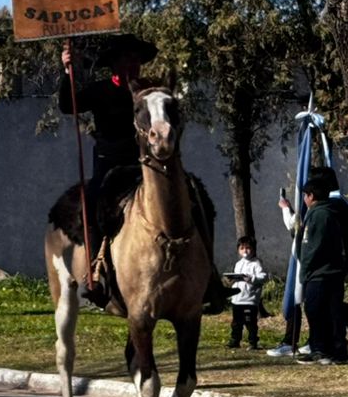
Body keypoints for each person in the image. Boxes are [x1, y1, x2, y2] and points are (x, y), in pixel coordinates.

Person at [59, 34, 230, 312]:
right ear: (114, 64)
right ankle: (96, 273)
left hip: (151, 166)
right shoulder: (101, 90)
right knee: (91, 203)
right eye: (127, 59)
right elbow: (68, 105)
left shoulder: (150, 93)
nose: (133, 64)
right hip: (111, 166)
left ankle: (209, 276)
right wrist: (68, 72)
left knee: (198, 195)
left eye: (136, 59)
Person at [293, 168, 348, 364]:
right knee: (324, 311)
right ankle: (325, 348)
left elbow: (314, 246)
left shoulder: (321, 214)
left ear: (311, 196)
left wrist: (305, 270)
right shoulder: (320, 212)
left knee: (319, 311)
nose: (304, 199)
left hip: (321, 272)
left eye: (305, 195)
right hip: (324, 271)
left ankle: (326, 349)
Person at [226, 236, 268, 350]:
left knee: (250, 322)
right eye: (242, 248)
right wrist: (232, 280)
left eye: (248, 248)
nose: (245, 251)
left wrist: (251, 278)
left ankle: (253, 342)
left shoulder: (256, 263)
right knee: (236, 322)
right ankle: (235, 340)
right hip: (237, 299)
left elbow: (263, 277)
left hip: (249, 299)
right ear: (238, 250)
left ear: (253, 249)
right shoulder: (238, 264)